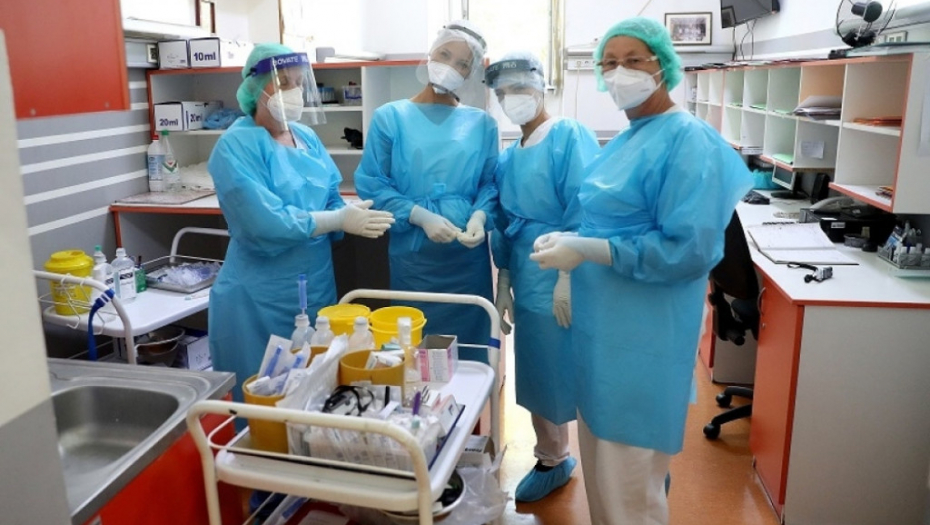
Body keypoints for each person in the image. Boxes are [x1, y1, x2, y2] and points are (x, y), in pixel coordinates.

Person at [530, 17, 753, 525]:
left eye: (633, 60)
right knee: (608, 483)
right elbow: (611, 218)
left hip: (643, 339)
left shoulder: (688, 141)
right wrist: (571, 239)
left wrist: (588, 250)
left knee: (628, 493)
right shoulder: (634, 135)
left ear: (663, 65)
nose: (619, 72)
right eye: (609, 63)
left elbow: (688, 252)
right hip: (607, 335)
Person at [207, 43, 394, 403]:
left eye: (298, 82)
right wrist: (337, 218)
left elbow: (328, 193)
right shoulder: (235, 147)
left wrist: (348, 211)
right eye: (282, 83)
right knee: (262, 397)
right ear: (255, 88)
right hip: (258, 296)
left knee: (314, 389)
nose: (294, 91)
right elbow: (265, 223)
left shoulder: (305, 137)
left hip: (315, 286)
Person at [486, 51, 600, 502]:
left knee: (572, 367)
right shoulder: (508, 156)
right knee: (536, 367)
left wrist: (567, 274)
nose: (511, 99)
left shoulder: (568, 136)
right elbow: (503, 222)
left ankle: (598, 460)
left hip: (565, 271)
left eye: (518, 88)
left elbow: (586, 209)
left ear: (540, 87)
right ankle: (552, 458)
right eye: (502, 93)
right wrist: (504, 279)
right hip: (526, 273)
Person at [354, 21, 499, 359]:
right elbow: (373, 182)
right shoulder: (391, 117)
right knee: (415, 351)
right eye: (444, 55)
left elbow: (490, 183)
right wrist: (418, 215)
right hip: (415, 259)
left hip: (467, 260)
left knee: (470, 357)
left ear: (470, 73)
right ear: (429, 55)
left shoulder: (482, 124)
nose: (450, 66)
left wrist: (479, 216)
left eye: (462, 63)